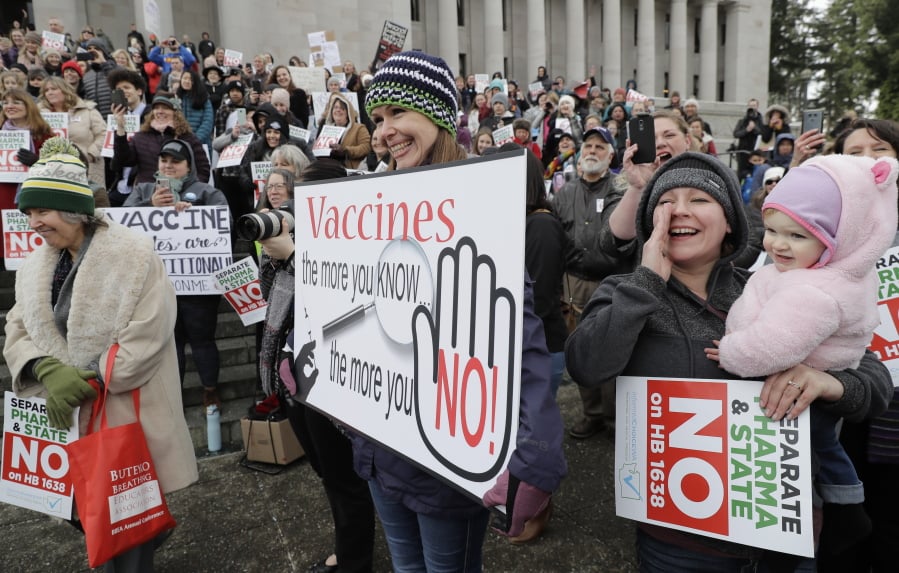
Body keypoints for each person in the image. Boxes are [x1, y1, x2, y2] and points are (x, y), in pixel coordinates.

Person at [565, 151, 893, 571]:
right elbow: (586, 365)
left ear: (729, 223)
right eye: (666, 201)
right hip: (679, 548)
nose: (680, 209)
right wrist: (645, 282)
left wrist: (829, 383)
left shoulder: (777, 288)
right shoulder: (624, 291)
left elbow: (875, 379)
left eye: (699, 199)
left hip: (782, 538)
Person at [357, 50, 567, 568]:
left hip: (446, 458)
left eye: (398, 114)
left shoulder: (477, 203)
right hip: (380, 445)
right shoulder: (374, 202)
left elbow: (518, 335)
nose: (385, 132)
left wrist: (535, 453)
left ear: (437, 116)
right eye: (378, 119)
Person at [3, 138, 198, 570]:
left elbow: (149, 334)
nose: (33, 223)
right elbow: (18, 325)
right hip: (67, 419)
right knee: (88, 515)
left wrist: (89, 378)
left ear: (73, 210)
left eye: (42, 212)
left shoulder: (133, 255)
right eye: (29, 214)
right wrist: (47, 369)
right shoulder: (36, 264)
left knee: (124, 532)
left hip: (124, 413)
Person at [710, 154, 898, 554]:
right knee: (821, 450)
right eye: (773, 230)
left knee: (813, 453)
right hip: (803, 388)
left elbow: (771, 347)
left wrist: (729, 352)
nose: (778, 243)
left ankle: (840, 512)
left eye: (797, 236)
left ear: (835, 241)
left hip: (805, 391)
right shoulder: (808, 273)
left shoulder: (811, 291)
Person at [258, 161, 377, 573]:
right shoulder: (296, 235)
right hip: (295, 370)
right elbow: (269, 297)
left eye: (308, 197)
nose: (296, 205)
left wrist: (295, 255)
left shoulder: (354, 237)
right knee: (326, 473)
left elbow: (345, 300)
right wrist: (280, 254)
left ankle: (355, 560)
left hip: (333, 376)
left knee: (345, 478)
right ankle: (348, 549)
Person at [818, 118, 899, 572]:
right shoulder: (825, 229)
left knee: (890, 520)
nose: (868, 160)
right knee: (843, 513)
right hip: (842, 393)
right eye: (854, 152)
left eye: (880, 149)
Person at [124, 139, 227, 406]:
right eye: (164, 161)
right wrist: (150, 207)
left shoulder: (206, 191)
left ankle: (210, 389)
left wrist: (194, 215)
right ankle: (174, 397)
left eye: (175, 161)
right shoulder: (143, 189)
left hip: (199, 288)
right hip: (157, 285)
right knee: (172, 344)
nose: (168, 166)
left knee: (203, 339)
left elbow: (225, 224)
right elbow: (120, 225)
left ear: (188, 166)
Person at [553, 127, 629, 438]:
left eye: (600, 146)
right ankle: (592, 414)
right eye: (588, 146)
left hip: (611, 283)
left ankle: (614, 421)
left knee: (610, 352)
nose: (592, 151)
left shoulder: (621, 190)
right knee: (580, 351)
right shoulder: (565, 192)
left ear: (611, 155)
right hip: (573, 283)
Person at [112, 93, 211, 186]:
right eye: (156, 108)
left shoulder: (188, 138)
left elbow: (203, 170)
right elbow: (122, 161)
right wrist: (120, 128)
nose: (160, 111)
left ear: (176, 113)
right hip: (147, 196)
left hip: (180, 198)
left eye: (165, 108)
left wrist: (189, 192)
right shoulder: (141, 137)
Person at [37, 77, 106, 187]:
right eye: (46, 90)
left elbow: (104, 134)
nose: (49, 92)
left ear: (65, 90)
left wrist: (91, 154)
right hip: (51, 170)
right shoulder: (39, 114)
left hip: (86, 167)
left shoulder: (87, 110)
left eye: (53, 89)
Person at [0, 88, 53, 214]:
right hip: (3, 193)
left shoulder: (45, 135)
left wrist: (38, 161)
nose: (10, 106)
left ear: (28, 106)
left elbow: (60, 167)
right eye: (5, 103)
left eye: (16, 102)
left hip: (34, 194)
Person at [316, 92, 371, 169]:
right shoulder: (326, 129)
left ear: (348, 112)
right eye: (335, 107)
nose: (338, 110)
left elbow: (366, 147)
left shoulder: (359, 128)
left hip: (348, 170)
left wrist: (345, 150)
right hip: (328, 169)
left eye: (342, 108)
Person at [177, 70, 214, 147]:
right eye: (184, 78)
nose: (187, 81)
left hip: (201, 143)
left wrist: (195, 139)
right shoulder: (176, 98)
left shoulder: (204, 98)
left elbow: (208, 121)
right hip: (181, 143)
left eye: (190, 79)